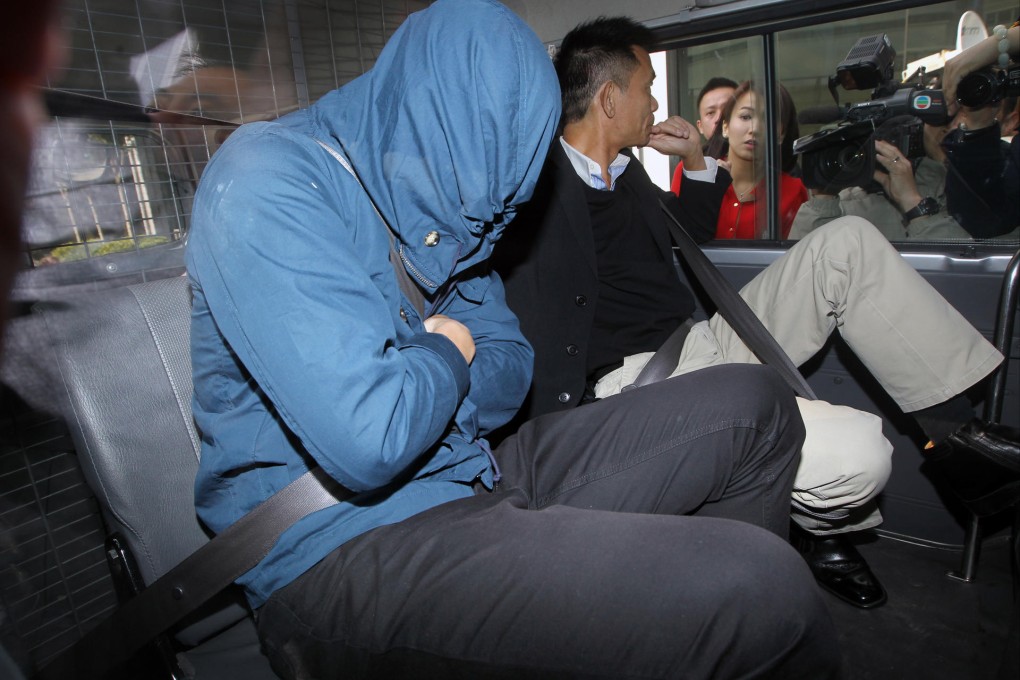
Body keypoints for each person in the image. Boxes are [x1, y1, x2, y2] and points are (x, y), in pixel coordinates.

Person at [186, 1, 842, 678]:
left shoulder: (453, 208)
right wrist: (447, 351)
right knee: (764, 592)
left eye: (506, 206)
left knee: (755, 405)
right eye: (486, 202)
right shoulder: (269, 181)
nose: (489, 228)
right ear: (437, 131)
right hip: (342, 545)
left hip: (470, 469)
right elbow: (372, 437)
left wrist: (426, 376)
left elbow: (511, 368)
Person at [496, 14, 1020, 612]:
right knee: (863, 457)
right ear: (611, 99)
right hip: (633, 382)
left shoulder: (626, 171)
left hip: (698, 341)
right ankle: (818, 532)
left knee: (844, 243)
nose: (657, 103)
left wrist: (697, 160)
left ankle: (961, 443)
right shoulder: (533, 184)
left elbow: (688, 232)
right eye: (647, 88)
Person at [789, 116, 972, 241]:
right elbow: (801, 266)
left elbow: (962, 271)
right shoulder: (847, 202)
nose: (952, 127)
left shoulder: (948, 189)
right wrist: (824, 197)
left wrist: (912, 203)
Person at [678, 80, 807, 239]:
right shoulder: (694, 171)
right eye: (745, 117)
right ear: (725, 127)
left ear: (781, 134)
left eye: (768, 119)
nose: (754, 129)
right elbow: (678, 239)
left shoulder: (793, 191)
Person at [667, 76, 736, 193]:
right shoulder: (689, 167)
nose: (719, 118)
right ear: (700, 127)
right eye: (711, 113)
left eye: (727, 109)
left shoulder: (764, 160)